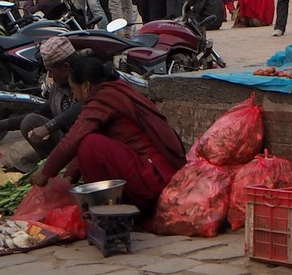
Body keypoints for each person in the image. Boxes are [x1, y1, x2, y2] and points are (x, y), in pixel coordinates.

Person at [29, 52, 185, 216]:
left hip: (154, 178)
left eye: (74, 89)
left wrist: (45, 172)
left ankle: (105, 213)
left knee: (90, 145)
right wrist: (69, 177)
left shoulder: (103, 98)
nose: (74, 96)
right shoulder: (115, 89)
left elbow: (74, 138)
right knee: (89, 142)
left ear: (86, 86)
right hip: (156, 172)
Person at [0, 34, 82, 157]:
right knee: (30, 122)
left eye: (51, 71)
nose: (50, 76)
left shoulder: (87, 82)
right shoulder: (58, 88)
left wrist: (49, 127)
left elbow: (82, 107)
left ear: (66, 67)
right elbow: (42, 113)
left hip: (86, 142)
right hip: (68, 141)